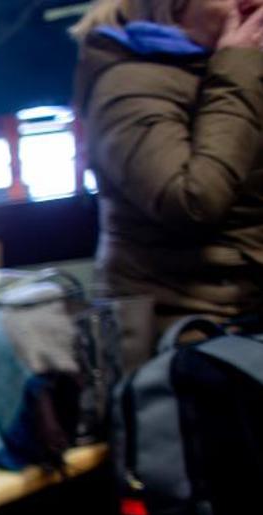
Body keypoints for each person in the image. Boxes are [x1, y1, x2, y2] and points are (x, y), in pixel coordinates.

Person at [72, 0, 263, 331]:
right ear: (173, 8)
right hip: (186, 335)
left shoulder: (231, 69)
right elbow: (192, 201)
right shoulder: (126, 85)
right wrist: (237, 68)